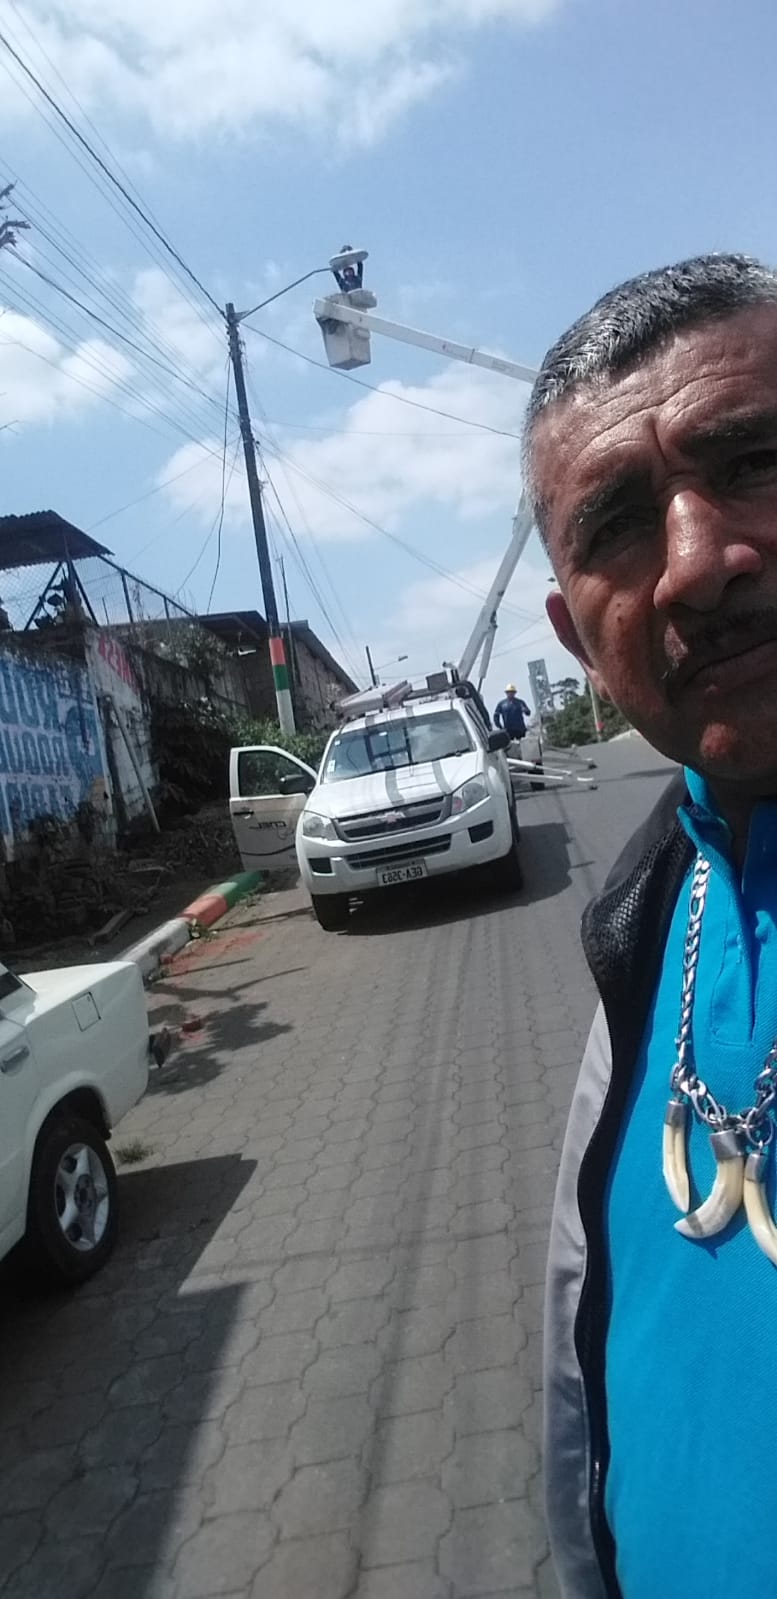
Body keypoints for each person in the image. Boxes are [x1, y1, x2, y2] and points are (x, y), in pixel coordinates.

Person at [525, 253, 777, 1599]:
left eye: (754, 460)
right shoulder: (646, 921)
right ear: (577, 638)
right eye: (618, 524)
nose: (694, 565)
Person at [493, 684, 531, 749]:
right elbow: (496, 715)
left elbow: (528, 713)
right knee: (510, 747)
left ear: (515, 693)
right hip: (508, 730)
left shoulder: (520, 702)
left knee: (523, 747)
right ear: (506, 693)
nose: (511, 694)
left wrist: (525, 710)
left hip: (520, 729)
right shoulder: (502, 704)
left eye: (512, 692)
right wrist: (500, 726)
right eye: (509, 692)